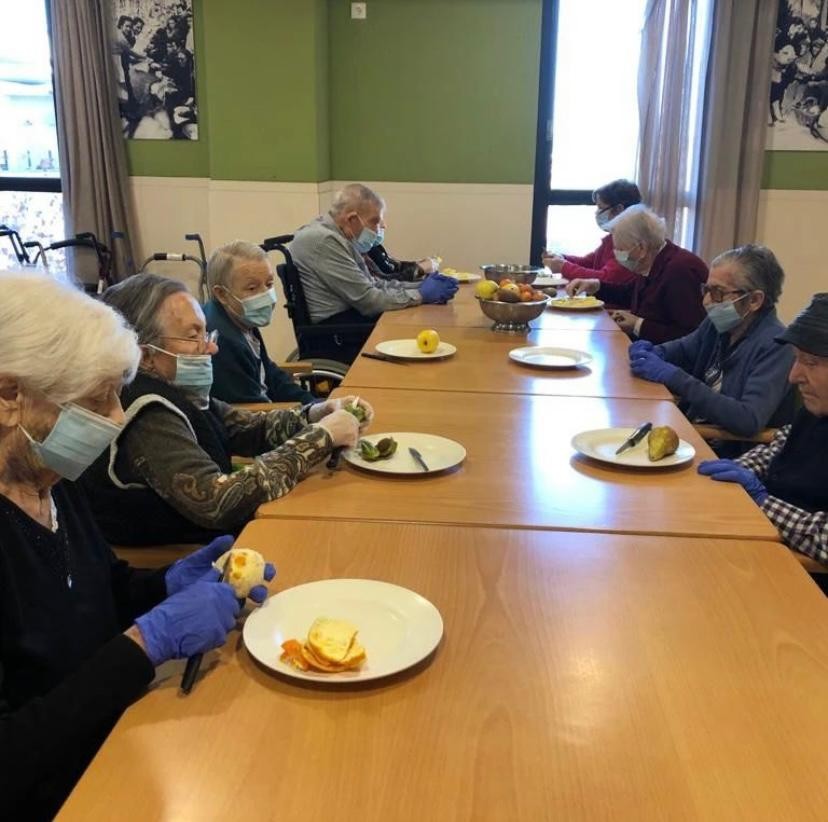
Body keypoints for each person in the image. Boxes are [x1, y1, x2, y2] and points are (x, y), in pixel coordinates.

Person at [0, 272, 270, 819]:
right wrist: (145, 645)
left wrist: (166, 584)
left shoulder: (51, 479)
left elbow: (97, 590)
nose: (118, 417)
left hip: (120, 730)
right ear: (10, 396)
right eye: (97, 399)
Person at [78, 274, 372, 546]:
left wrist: (317, 414)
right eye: (193, 336)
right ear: (144, 355)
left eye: (206, 335)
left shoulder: (175, 389)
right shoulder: (148, 414)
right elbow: (217, 501)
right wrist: (321, 438)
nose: (211, 349)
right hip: (183, 554)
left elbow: (247, 428)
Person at [698, 293, 828, 586]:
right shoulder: (817, 408)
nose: (794, 376)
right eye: (796, 359)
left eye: (810, 362)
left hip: (801, 580)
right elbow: (779, 446)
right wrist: (739, 469)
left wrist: (763, 501)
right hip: (761, 540)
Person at [628, 245, 796, 453]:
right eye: (706, 290)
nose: (706, 301)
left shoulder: (777, 346)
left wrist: (676, 378)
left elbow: (748, 419)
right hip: (692, 434)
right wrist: (654, 352)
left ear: (754, 300)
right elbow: (683, 350)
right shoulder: (719, 325)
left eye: (718, 293)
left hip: (730, 454)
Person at [289, 183, 459, 362]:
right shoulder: (324, 241)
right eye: (374, 221)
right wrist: (420, 295)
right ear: (352, 219)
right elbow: (369, 301)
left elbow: (374, 284)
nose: (380, 227)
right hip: (337, 333)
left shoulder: (338, 236)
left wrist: (419, 285)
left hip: (350, 322)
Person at [565, 204, 708, 343]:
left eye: (620, 249)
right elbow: (631, 293)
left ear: (641, 248)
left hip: (662, 355)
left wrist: (638, 325)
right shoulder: (652, 260)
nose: (616, 254)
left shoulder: (680, 271)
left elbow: (691, 336)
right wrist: (596, 286)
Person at [204, 240, 315, 405]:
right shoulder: (223, 343)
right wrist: (309, 413)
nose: (266, 295)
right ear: (221, 294)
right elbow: (248, 412)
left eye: (269, 284)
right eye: (252, 288)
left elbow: (271, 375)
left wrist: (314, 404)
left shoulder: (240, 319)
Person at [541, 178, 640, 289]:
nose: (597, 213)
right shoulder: (611, 238)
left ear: (619, 209)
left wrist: (563, 267)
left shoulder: (631, 242)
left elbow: (606, 278)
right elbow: (589, 262)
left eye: (601, 208)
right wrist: (561, 258)